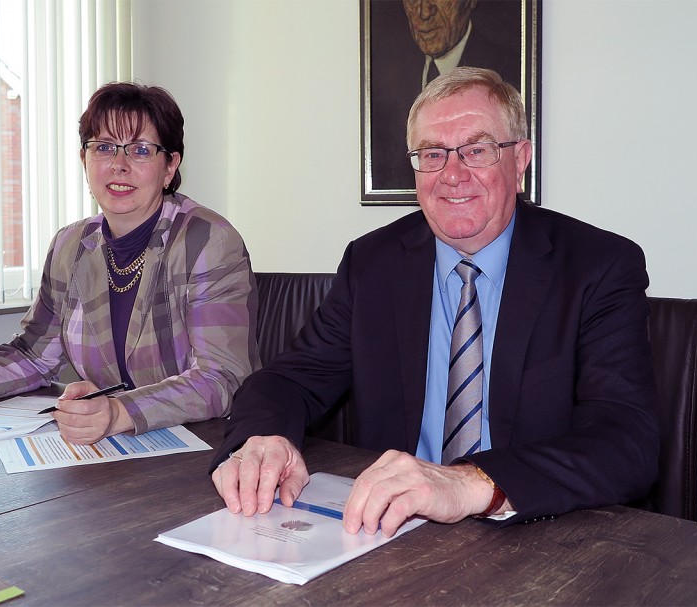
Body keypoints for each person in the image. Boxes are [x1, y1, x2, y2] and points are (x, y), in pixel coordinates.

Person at [211, 67, 659, 534]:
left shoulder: (599, 265)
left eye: (477, 150)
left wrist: (470, 484)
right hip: (391, 536)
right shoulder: (373, 262)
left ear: (521, 159)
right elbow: (290, 379)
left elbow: (627, 441)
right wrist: (262, 438)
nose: (453, 175)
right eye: (433, 154)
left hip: (539, 534)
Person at [0, 82, 259, 445]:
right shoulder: (72, 244)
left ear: (170, 166)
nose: (118, 165)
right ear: (85, 159)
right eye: (103, 147)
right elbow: (33, 355)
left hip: (200, 448)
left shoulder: (207, 240)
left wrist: (120, 412)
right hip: (102, 451)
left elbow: (220, 378)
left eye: (139, 150)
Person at [369, 0, 520, 192]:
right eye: (413, 0)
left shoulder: (510, 68)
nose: (424, 12)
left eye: (476, 151)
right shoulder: (386, 76)